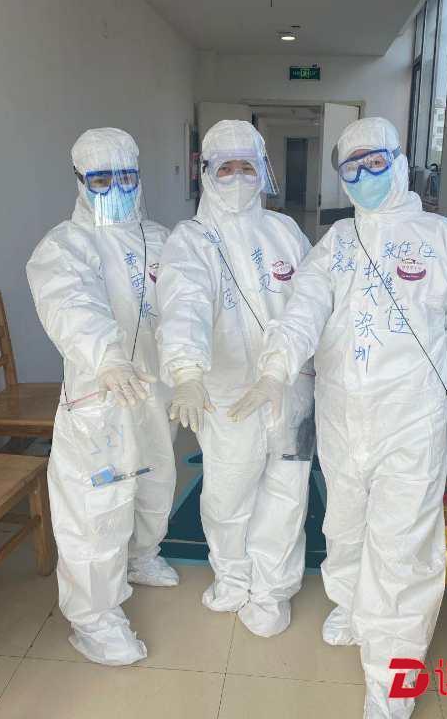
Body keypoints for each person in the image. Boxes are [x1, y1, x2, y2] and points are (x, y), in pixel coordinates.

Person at [229, 117, 447, 717]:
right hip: (343, 416)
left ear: (401, 161)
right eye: (354, 167)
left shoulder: (443, 239)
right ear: (341, 177)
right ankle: (349, 603)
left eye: (377, 162)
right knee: (344, 527)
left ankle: (393, 686)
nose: (367, 175)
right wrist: (276, 367)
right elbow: (303, 310)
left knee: (403, 550)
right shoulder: (337, 242)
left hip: (412, 419)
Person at [155, 119, 314, 637]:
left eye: (248, 166)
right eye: (227, 168)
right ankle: (232, 577)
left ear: (263, 170)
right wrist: (185, 369)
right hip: (226, 394)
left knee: (286, 494)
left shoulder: (285, 232)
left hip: (290, 391)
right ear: (206, 173)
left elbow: (314, 304)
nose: (239, 177)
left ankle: (271, 591)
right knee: (227, 493)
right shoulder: (191, 240)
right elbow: (184, 302)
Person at [27, 128, 178, 666]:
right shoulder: (66, 245)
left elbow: (185, 303)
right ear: (80, 181)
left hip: (153, 390)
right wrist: (107, 355)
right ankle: (94, 619)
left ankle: (142, 555)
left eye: (127, 177)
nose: (116, 188)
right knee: (97, 506)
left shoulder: (160, 238)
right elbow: (70, 304)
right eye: (100, 179)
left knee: (155, 478)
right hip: (99, 395)